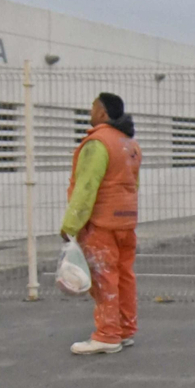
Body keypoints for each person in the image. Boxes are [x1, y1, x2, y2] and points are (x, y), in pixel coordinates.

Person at [60, 92, 142, 356]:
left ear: (103, 113)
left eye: (93, 107)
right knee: (124, 276)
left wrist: (71, 224)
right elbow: (132, 185)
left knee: (104, 278)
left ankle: (107, 335)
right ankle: (124, 329)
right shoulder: (129, 144)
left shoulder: (97, 144)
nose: (90, 111)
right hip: (126, 221)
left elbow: (86, 187)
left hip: (101, 223)